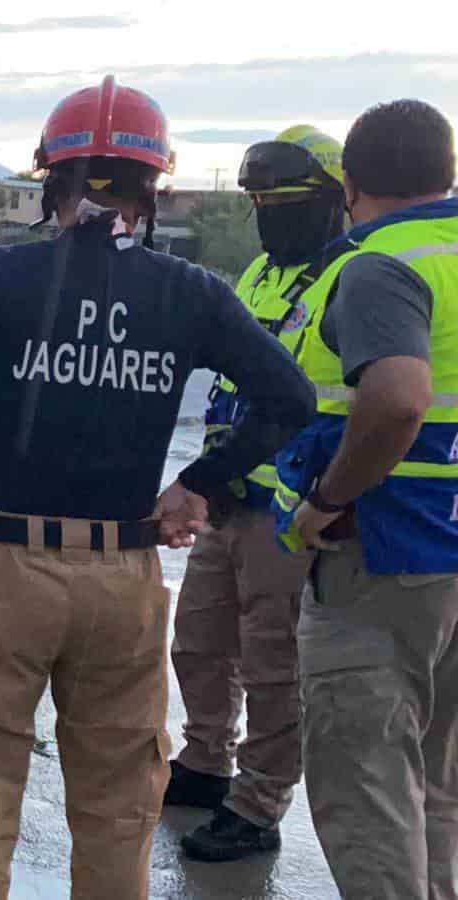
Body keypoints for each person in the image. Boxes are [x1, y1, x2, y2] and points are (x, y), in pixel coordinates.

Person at [0, 76, 315, 899]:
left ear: (50, 180)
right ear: (154, 187)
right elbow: (288, 398)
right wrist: (198, 486)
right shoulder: (191, 293)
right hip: (124, 574)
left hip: (8, 564)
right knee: (119, 807)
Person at [272, 98, 458, 900]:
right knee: (438, 785)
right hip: (447, 566)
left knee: (369, 790)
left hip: (381, 559)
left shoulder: (383, 264)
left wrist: (324, 499)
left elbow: (396, 399)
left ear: (351, 182)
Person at [165, 125, 347, 862]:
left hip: (289, 510)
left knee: (274, 664)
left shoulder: (351, 278)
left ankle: (259, 800)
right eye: (260, 200)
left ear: (331, 199)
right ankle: (206, 759)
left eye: (286, 198)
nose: (270, 212)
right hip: (228, 492)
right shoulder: (258, 278)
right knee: (199, 642)